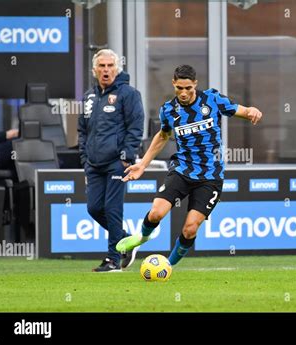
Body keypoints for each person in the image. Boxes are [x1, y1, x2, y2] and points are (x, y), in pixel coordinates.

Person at [116, 64, 262, 267]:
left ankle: (167, 266)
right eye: (179, 88)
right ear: (174, 84)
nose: (183, 93)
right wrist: (142, 165)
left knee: (190, 229)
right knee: (157, 213)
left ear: (195, 84)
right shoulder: (168, 110)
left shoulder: (212, 99)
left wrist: (252, 110)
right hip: (182, 169)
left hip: (210, 176)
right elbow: (163, 135)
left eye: (188, 88)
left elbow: (241, 110)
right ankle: (142, 239)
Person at [78, 49, 144, 272]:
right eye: (102, 66)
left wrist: (127, 155)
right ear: (94, 70)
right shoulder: (88, 96)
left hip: (117, 161)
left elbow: (136, 126)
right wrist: (85, 157)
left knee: (112, 208)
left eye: (110, 66)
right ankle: (126, 240)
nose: (106, 70)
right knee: (94, 208)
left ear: (117, 68)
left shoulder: (129, 94)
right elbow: (82, 129)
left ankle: (113, 259)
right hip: (94, 164)